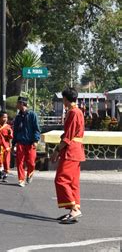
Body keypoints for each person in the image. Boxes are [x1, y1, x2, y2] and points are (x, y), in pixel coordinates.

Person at [50, 88, 85, 224]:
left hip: (71, 151)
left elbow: (69, 136)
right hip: (75, 151)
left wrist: (57, 151)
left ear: (65, 99)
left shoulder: (74, 112)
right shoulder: (75, 111)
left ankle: (74, 209)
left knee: (61, 180)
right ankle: (74, 209)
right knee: (72, 182)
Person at [13, 96, 41, 187]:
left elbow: (37, 129)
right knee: (19, 162)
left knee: (31, 162)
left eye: (18, 103)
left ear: (22, 104)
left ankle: (30, 173)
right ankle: (21, 179)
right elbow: (15, 131)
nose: (16, 105)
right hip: (20, 142)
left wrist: (36, 140)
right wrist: (14, 143)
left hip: (30, 142)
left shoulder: (32, 115)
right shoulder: (17, 117)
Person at [0, 111, 13, 182]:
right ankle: (0, 170)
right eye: (4, 117)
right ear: (0, 118)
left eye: (6, 117)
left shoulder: (8, 127)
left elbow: (10, 137)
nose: (5, 119)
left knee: (6, 160)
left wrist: (10, 144)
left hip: (6, 146)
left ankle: (5, 174)